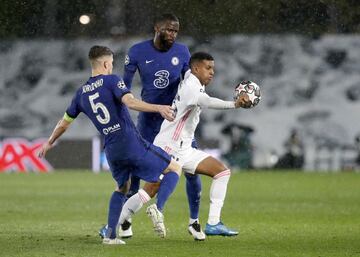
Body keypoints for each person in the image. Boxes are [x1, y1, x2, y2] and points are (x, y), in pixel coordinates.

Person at [38, 45, 182, 245]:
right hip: (130, 142)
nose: (112, 67)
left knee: (122, 188)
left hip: (112, 150)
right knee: (174, 168)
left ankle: (110, 236)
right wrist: (158, 108)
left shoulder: (80, 94)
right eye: (112, 64)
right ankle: (158, 208)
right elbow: (130, 103)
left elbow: (64, 122)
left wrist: (49, 142)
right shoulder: (112, 80)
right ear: (106, 64)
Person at [117, 52, 252, 240]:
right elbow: (207, 101)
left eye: (213, 68)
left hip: (185, 148)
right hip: (168, 146)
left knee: (222, 172)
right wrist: (235, 104)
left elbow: (191, 73)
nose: (212, 72)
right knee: (150, 190)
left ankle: (213, 223)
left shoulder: (191, 77)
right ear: (196, 69)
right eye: (208, 68)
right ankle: (120, 220)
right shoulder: (191, 87)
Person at [100, 13, 204, 240]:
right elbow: (124, 88)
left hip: (177, 122)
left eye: (176, 31)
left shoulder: (183, 52)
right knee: (134, 173)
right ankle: (125, 220)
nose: (173, 35)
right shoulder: (137, 51)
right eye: (168, 29)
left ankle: (194, 222)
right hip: (149, 120)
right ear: (156, 28)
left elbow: (191, 81)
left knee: (191, 170)